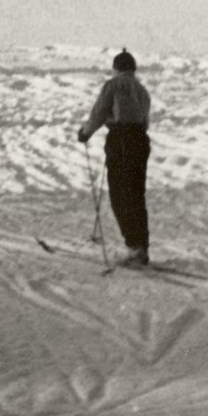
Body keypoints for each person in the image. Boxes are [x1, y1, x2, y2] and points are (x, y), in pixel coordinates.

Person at [78, 49, 153, 267]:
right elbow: (145, 120)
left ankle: (133, 247)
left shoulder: (113, 85)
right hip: (140, 140)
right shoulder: (142, 90)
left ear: (116, 68)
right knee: (136, 194)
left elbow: (99, 112)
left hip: (121, 140)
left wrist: (85, 132)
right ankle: (142, 247)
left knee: (120, 194)